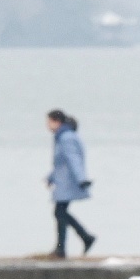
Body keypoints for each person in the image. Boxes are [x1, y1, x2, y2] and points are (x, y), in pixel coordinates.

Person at [45, 110, 95, 258]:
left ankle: (80, 240)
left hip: (68, 183)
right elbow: (61, 164)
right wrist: (51, 177)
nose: (47, 125)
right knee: (60, 213)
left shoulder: (67, 138)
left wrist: (81, 179)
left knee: (60, 213)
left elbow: (74, 160)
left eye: (49, 122)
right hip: (63, 181)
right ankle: (69, 245)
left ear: (57, 121)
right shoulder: (62, 137)